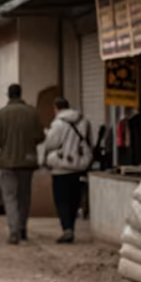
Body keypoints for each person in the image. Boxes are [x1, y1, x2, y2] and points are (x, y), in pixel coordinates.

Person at [0, 83, 45, 245]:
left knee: (10, 197)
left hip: (7, 162)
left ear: (8, 95)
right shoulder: (32, 113)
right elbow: (40, 136)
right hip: (27, 162)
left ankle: (14, 230)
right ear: (21, 94)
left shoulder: (1, 114)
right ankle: (22, 228)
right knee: (24, 197)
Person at [43, 97, 93, 243]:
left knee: (61, 200)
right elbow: (89, 141)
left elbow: (50, 144)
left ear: (56, 109)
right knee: (74, 200)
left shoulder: (58, 124)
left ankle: (67, 228)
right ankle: (72, 226)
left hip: (61, 167)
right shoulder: (84, 121)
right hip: (79, 166)